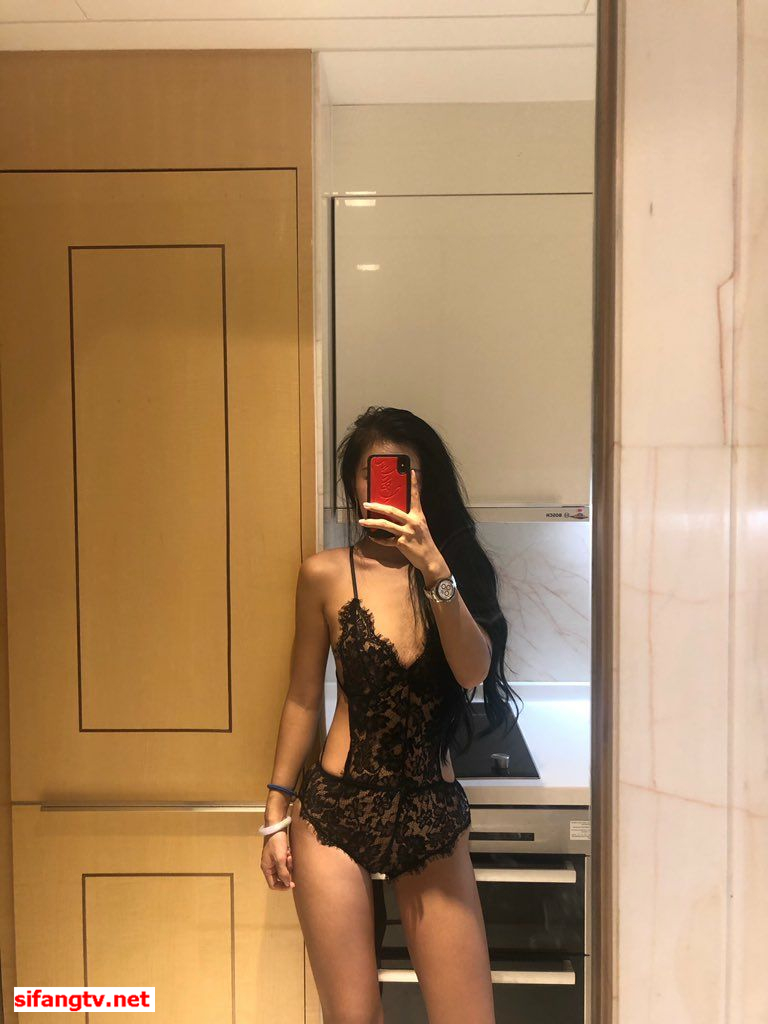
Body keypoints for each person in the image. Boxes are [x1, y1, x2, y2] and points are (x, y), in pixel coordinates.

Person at [259, 406, 521, 1024]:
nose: (388, 486)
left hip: (431, 812)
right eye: (372, 473)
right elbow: (303, 697)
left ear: (425, 484)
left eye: (407, 472)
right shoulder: (324, 574)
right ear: (354, 485)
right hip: (336, 809)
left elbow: (472, 672)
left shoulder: (456, 570)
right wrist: (274, 812)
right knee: (353, 1018)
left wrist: (436, 570)